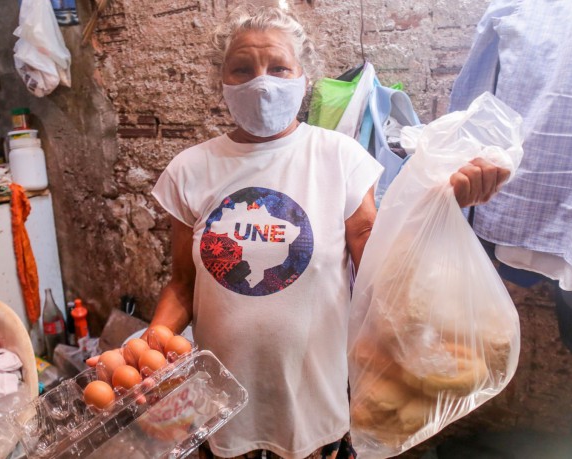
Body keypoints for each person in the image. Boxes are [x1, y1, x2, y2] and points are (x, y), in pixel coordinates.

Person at [94, 7, 509, 459]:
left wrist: (438, 202)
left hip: (317, 404)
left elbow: (382, 268)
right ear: (223, 81)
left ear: (303, 76)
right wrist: (151, 352)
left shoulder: (339, 157)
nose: (262, 82)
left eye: (278, 68)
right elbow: (182, 284)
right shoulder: (190, 170)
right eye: (243, 69)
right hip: (223, 406)